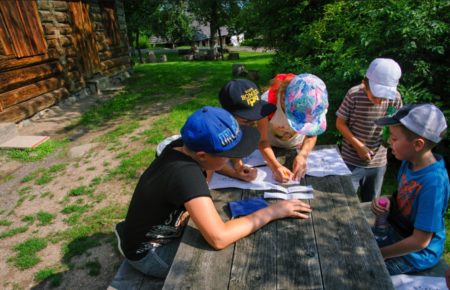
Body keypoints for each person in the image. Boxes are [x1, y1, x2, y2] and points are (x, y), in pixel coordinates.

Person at [113, 106, 312, 282]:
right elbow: (219, 238)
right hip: (150, 253)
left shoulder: (182, 145)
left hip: (156, 229)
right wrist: (274, 211)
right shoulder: (185, 174)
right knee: (224, 264)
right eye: (231, 155)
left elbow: (211, 163)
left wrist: (235, 172)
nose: (237, 158)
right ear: (202, 155)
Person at [371, 103, 449, 275]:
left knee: (369, 272)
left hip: (417, 254)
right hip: (397, 232)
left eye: (394, 138)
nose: (389, 142)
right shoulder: (409, 162)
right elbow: (405, 198)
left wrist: (378, 254)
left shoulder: (433, 183)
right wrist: (386, 201)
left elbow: (420, 241)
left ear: (418, 144)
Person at [336, 58, 403, 202]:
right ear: (365, 83)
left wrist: (391, 139)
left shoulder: (395, 98)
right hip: (351, 161)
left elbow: (396, 126)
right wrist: (358, 146)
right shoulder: (354, 94)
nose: (379, 101)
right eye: (375, 95)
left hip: (378, 162)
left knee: (371, 203)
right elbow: (340, 123)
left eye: (384, 96)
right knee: (345, 201)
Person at [260, 73, 328, 182]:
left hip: (297, 148)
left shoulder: (315, 102)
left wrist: (303, 155)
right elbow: (262, 140)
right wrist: (275, 167)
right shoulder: (266, 104)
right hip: (269, 149)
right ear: (283, 99)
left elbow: (311, 135)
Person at [218, 79, 276, 181]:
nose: (253, 123)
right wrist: (236, 171)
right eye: (246, 120)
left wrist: (276, 167)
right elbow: (212, 160)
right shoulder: (217, 126)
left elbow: (262, 141)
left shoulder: (260, 112)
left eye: (255, 117)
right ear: (228, 115)